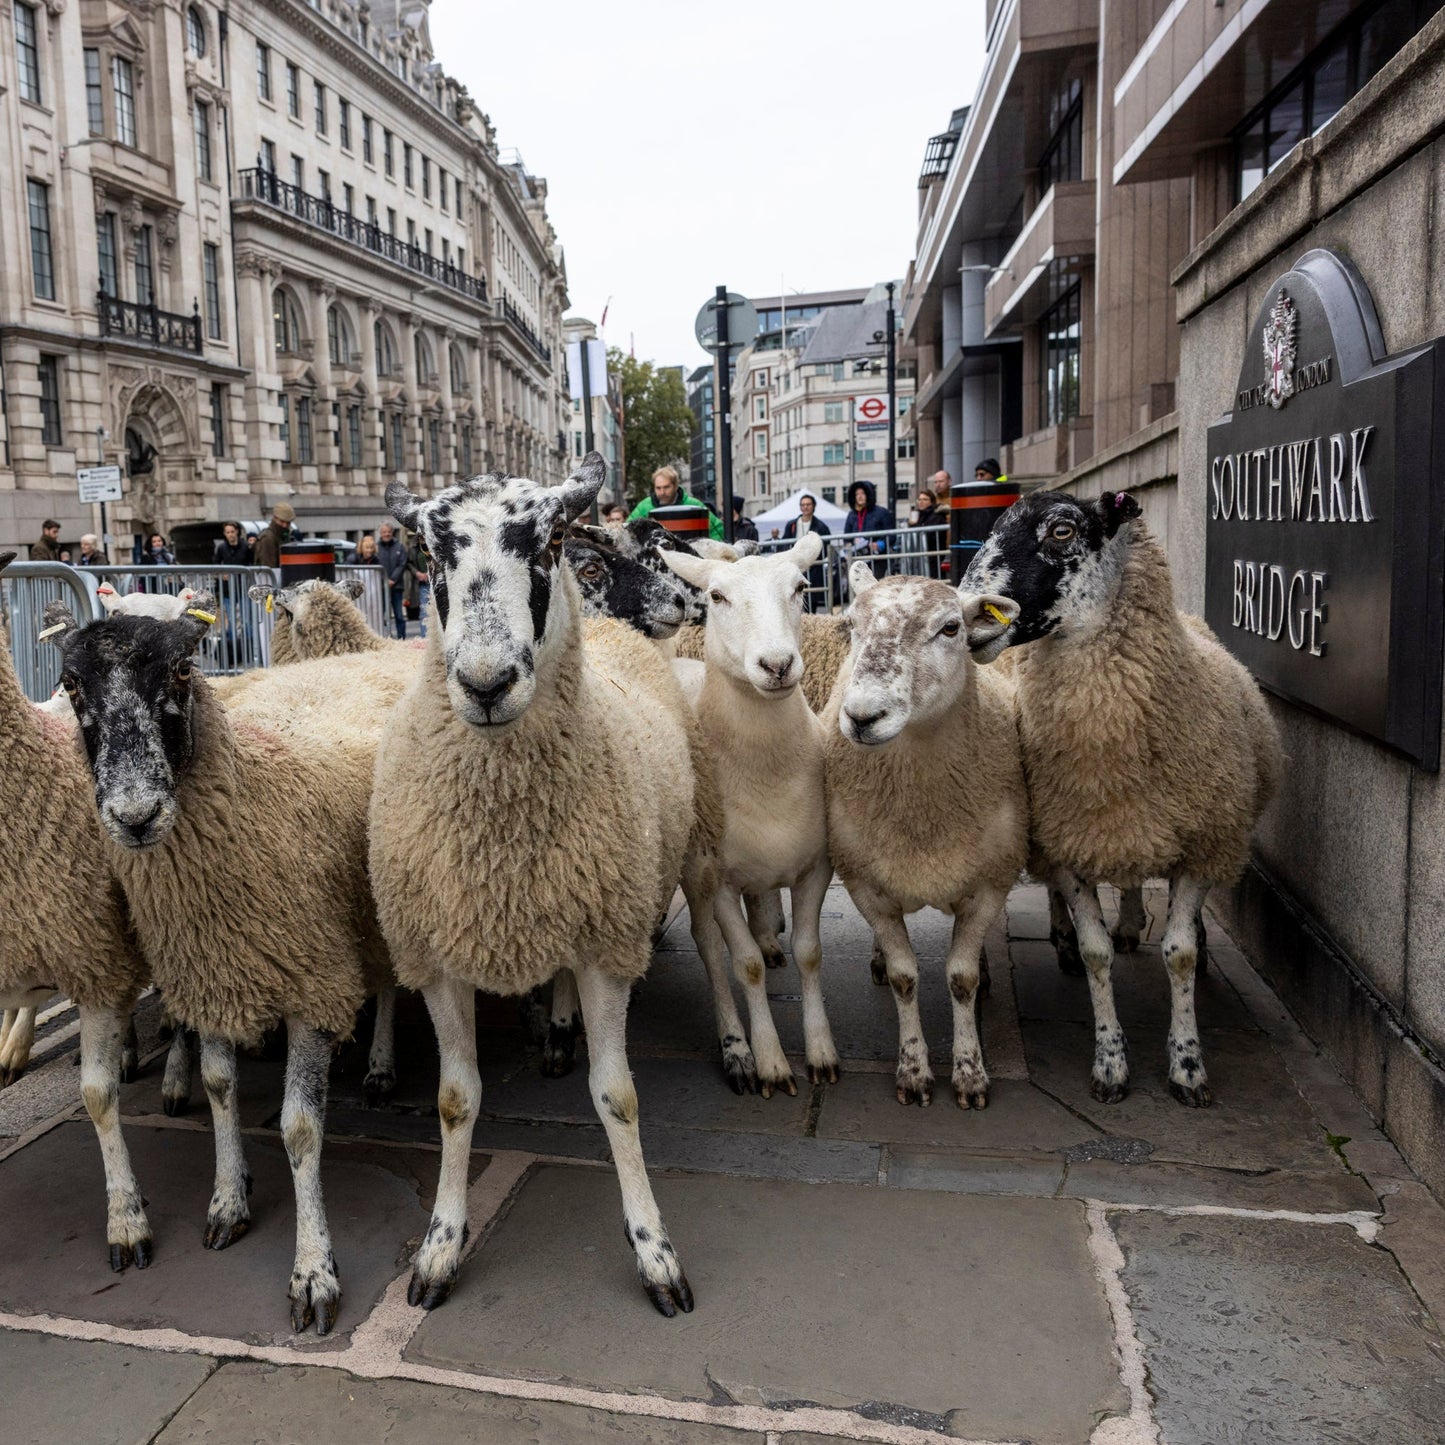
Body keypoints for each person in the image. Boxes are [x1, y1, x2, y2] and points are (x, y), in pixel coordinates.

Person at [627, 465, 724, 540]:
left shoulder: (694, 505)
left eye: (666, 487)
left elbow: (717, 528)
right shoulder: (644, 507)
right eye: (658, 488)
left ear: (676, 486)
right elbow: (627, 530)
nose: (662, 492)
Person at [782, 492, 831, 610]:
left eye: (808, 504)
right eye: (803, 504)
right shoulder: (791, 524)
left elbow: (826, 545)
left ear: (813, 506)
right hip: (795, 566)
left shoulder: (821, 526)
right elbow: (784, 543)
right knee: (793, 600)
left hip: (813, 567)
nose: (805, 507)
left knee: (810, 601)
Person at [844, 480, 892, 582]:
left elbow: (892, 536)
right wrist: (849, 546)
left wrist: (879, 545)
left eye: (863, 493)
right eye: (857, 494)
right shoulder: (851, 515)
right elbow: (846, 537)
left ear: (869, 495)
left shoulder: (882, 512)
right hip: (857, 558)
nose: (859, 496)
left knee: (873, 585)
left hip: (877, 558)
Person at [377, 520, 409, 639]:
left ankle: (402, 639)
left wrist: (392, 580)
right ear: (380, 533)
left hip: (396, 587)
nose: (387, 534)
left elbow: (402, 564)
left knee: (399, 615)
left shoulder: (399, 546)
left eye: (389, 532)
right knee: (381, 615)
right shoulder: (376, 547)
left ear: (392, 532)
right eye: (384, 532)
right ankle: (383, 638)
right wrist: (384, 581)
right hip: (380, 587)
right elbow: (375, 565)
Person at [907, 488, 948, 579]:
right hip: (920, 558)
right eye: (919, 499)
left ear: (931, 502)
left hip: (933, 557)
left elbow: (929, 536)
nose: (921, 502)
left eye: (925, 499)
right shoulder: (918, 515)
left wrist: (915, 526)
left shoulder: (937, 517)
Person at [251, 502, 295, 570]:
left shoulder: (284, 536)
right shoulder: (267, 538)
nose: (285, 525)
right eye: (282, 521)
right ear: (275, 518)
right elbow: (269, 568)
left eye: (288, 523)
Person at [406, 528, 430, 639]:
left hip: (435, 582)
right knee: (424, 612)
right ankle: (425, 637)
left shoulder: (435, 545)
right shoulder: (413, 547)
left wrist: (430, 574)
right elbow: (409, 563)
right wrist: (417, 573)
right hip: (421, 584)